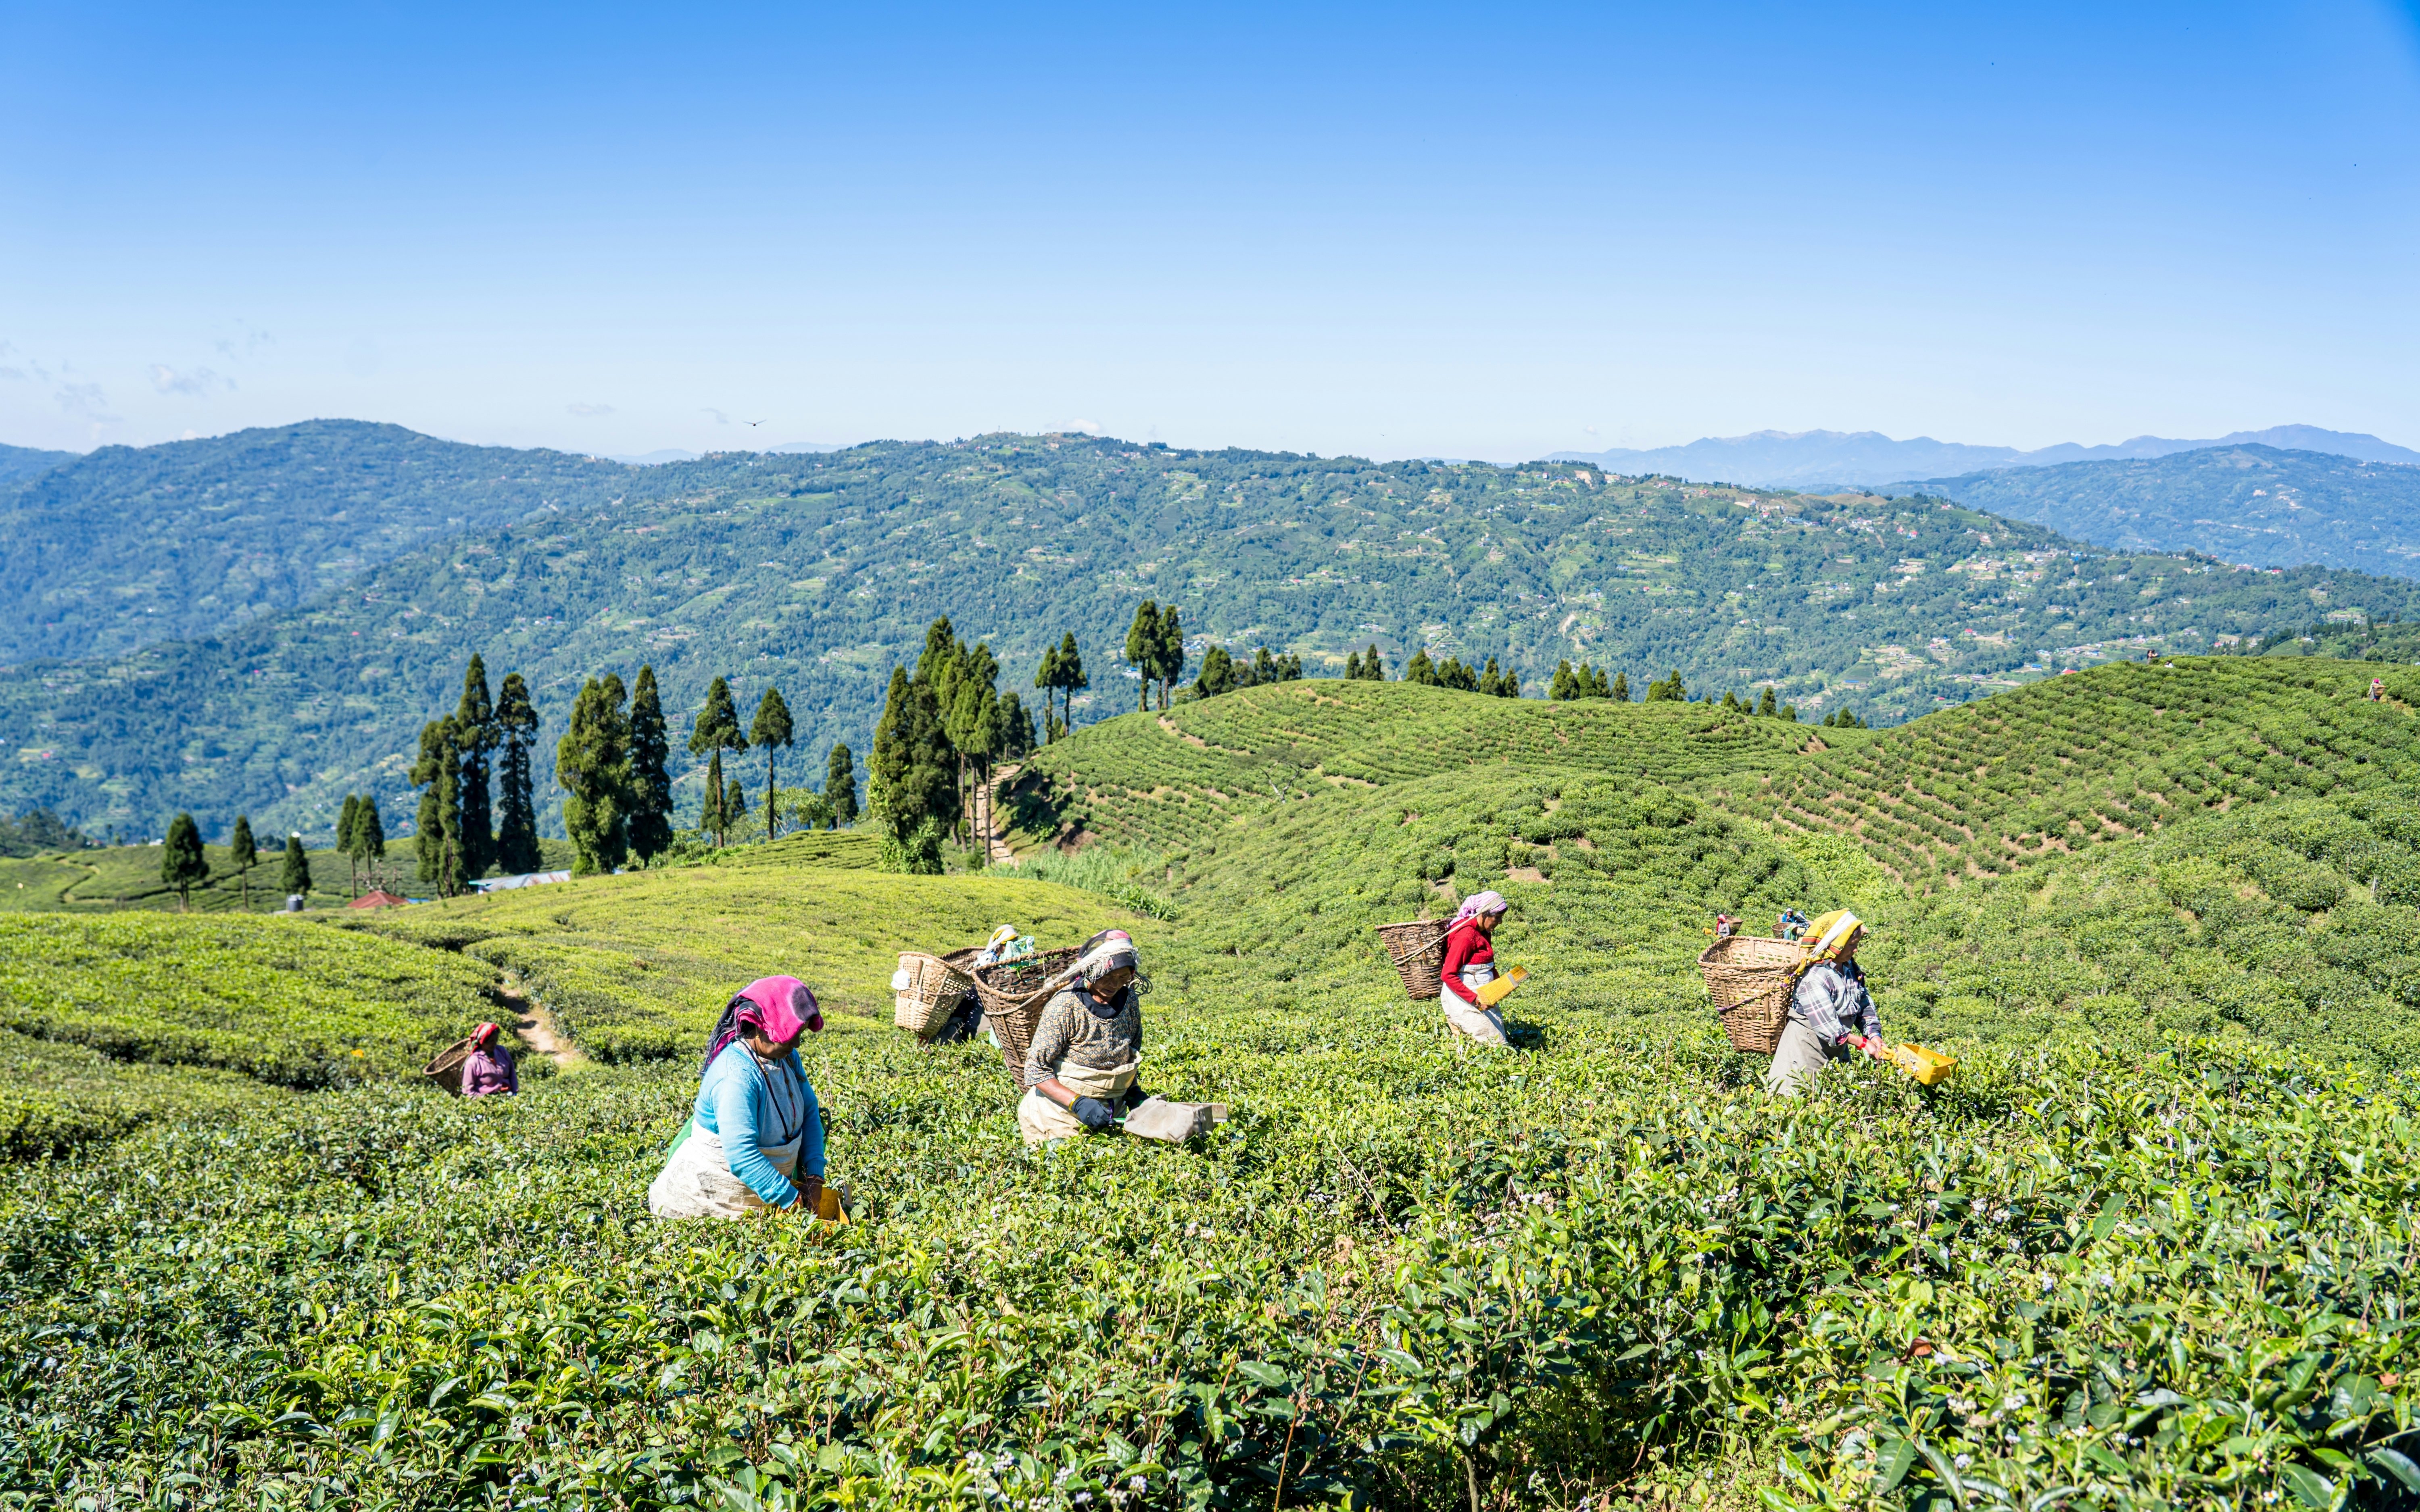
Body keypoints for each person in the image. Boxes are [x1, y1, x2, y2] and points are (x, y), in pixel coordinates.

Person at [648, 976, 828, 1218]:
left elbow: (809, 1112)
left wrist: (815, 1176)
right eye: (790, 1034)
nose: (796, 1043)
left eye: (800, 1034)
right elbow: (742, 1155)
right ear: (758, 1026)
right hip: (710, 1204)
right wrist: (792, 1199)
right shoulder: (736, 1076)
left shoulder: (786, 1058)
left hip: (764, 1198)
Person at [1020, 930, 1150, 1144]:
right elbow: (1035, 1070)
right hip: (1060, 1115)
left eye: (1122, 977)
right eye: (1107, 977)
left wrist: (1133, 1091)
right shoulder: (1065, 1005)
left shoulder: (1130, 1002)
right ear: (1091, 970)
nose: (1114, 985)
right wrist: (1078, 1103)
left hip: (1111, 1113)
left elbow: (1131, 1054)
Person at [1766, 910, 1883, 1096]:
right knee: (1792, 1107)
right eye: (1852, 944)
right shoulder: (1814, 976)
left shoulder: (1850, 968)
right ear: (1836, 944)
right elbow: (1830, 1029)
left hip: (1835, 1054)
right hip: (1803, 1055)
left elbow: (1864, 1004)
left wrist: (1873, 1035)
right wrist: (1862, 1043)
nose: (1856, 950)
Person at [1436, 890, 1510, 1047]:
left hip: (1483, 996)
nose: (1500, 922)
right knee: (1486, 1046)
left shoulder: (1483, 931)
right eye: (1497, 918)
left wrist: (1499, 985)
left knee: (1494, 1044)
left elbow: (1487, 963)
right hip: (1466, 1000)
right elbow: (1448, 974)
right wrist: (1476, 1001)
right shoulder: (1465, 936)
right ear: (1484, 914)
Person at [459, 1020, 518, 1097]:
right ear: (482, 1042)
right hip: (487, 1101)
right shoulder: (474, 1062)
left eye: (496, 1040)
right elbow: (468, 1091)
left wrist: (515, 1092)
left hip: (508, 1095)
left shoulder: (502, 1052)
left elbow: (512, 1074)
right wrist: (486, 1100)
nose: (494, 1044)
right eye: (491, 1041)